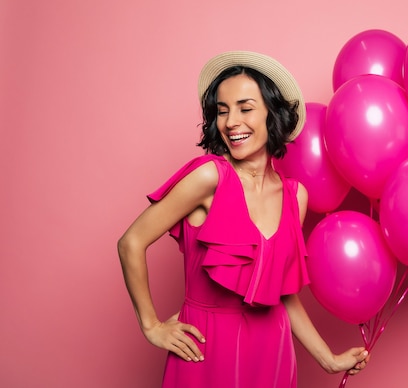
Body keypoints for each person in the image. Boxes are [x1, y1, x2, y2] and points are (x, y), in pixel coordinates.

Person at [118, 51, 370, 387]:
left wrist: (328, 359)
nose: (231, 122)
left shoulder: (296, 197)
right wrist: (151, 325)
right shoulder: (209, 178)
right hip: (205, 354)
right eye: (222, 111)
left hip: (272, 355)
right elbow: (131, 242)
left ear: (272, 114)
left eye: (245, 108)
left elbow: (280, 293)